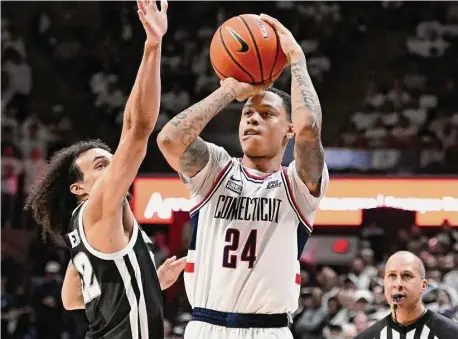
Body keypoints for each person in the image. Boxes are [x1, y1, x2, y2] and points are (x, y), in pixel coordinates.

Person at [157, 13, 329, 339]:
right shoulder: (216, 170)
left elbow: (309, 127)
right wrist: (230, 91)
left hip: (269, 330)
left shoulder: (297, 185)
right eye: (248, 113)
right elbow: (169, 139)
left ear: (288, 130)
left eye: (266, 114)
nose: (252, 120)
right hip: (205, 326)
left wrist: (296, 59)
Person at [25, 2, 185, 339]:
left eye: (112, 160)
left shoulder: (84, 228)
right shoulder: (97, 207)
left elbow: (71, 299)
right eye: (101, 165)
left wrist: (150, 281)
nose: (114, 167)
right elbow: (137, 129)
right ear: (79, 188)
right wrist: (152, 46)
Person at [355, 251, 458, 339]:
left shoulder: (451, 333)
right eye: (392, 276)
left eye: (406, 276)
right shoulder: (367, 337)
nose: (398, 284)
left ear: (423, 285)